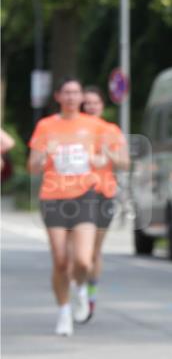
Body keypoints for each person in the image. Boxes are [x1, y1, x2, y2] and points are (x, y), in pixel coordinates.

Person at [28, 78, 107, 335]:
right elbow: (32, 166)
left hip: (84, 195)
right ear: (58, 96)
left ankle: (81, 288)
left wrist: (97, 158)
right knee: (61, 261)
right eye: (67, 92)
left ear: (82, 97)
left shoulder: (94, 126)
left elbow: (111, 157)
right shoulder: (45, 125)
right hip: (53, 196)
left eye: (76, 93)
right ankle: (63, 312)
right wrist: (43, 154)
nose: (72, 97)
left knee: (83, 260)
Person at [80, 86, 130, 318]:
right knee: (78, 252)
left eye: (95, 103)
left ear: (102, 105)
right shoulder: (74, 128)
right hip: (76, 195)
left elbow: (124, 163)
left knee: (93, 251)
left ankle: (90, 294)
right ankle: (79, 289)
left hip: (103, 193)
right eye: (87, 103)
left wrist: (108, 155)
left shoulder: (111, 130)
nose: (91, 106)